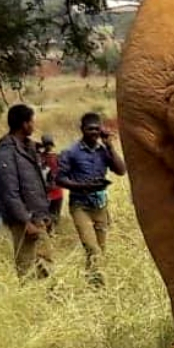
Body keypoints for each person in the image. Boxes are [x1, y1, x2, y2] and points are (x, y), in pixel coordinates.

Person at [56, 113, 126, 287]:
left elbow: (121, 170)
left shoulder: (103, 151)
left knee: (100, 249)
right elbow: (59, 179)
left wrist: (109, 144)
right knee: (92, 247)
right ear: (82, 130)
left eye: (97, 128)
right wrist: (81, 186)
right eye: (90, 129)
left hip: (100, 204)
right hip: (80, 205)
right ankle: (99, 285)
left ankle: (92, 283)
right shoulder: (71, 152)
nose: (94, 132)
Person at [0, 104, 54, 280]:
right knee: (27, 269)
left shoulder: (28, 147)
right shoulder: (6, 151)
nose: (34, 125)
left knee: (46, 265)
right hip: (25, 220)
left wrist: (44, 215)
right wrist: (25, 222)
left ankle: (48, 303)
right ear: (24, 124)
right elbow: (9, 191)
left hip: (38, 217)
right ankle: (33, 303)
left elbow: (36, 184)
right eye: (32, 121)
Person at [40, 134, 65, 233]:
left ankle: (52, 233)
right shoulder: (40, 157)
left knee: (55, 215)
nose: (48, 146)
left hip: (56, 190)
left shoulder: (57, 157)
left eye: (49, 144)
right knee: (48, 214)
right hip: (46, 191)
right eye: (46, 144)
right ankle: (49, 232)